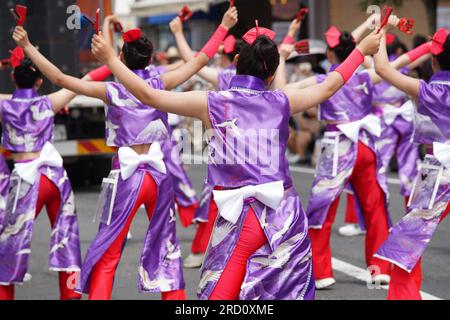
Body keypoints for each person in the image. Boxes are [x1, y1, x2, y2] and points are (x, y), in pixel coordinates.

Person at [91, 17, 382, 299]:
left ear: (235, 64)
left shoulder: (211, 102)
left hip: (240, 217)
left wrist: (111, 60)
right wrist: (361, 51)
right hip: (284, 214)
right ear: (270, 76)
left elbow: (149, 96)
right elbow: (330, 85)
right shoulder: (281, 100)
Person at [12, 6, 238, 300]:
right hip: (158, 177)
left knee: (107, 253)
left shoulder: (112, 90)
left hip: (126, 176)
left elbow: (59, 76)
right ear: (149, 58)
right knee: (167, 247)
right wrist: (222, 26)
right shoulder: (160, 82)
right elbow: (199, 60)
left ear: (120, 59)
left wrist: (27, 45)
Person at [284, 19, 403, 289]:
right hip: (366, 145)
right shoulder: (364, 76)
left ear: (329, 55)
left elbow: (285, 92)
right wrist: (384, 31)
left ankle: (322, 272)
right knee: (375, 210)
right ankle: (380, 270)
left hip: (337, 146)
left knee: (322, 211)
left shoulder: (323, 79)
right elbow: (395, 64)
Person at [0, 46, 105, 300]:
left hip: (26, 181)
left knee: (8, 244)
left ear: (13, 77)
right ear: (39, 81)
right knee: (67, 238)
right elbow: (85, 81)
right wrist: (112, 62)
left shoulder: (4, 104)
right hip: (56, 180)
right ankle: (71, 294)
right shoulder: (50, 101)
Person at [373, 27, 450, 300]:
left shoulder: (426, 90)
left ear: (433, 60)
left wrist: (378, 33)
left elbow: (382, 68)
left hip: (437, 171)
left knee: (407, 240)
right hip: (436, 168)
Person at [102, 15, 198, 228]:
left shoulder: (123, 74)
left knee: (174, 178)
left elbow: (108, 54)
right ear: (152, 57)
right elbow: (190, 62)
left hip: (148, 138)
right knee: (174, 178)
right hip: (155, 138)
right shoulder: (157, 75)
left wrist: (108, 23)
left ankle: (186, 214)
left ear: (122, 56)